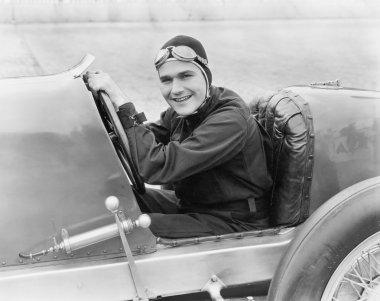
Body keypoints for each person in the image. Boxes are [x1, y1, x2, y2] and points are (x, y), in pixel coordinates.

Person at [86, 35, 272, 238]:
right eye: (166, 80)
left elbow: (156, 166)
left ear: (206, 77)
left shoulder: (230, 120)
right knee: (112, 199)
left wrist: (121, 102)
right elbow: (142, 139)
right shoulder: (181, 113)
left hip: (234, 221)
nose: (176, 89)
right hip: (192, 205)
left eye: (186, 76)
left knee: (130, 229)